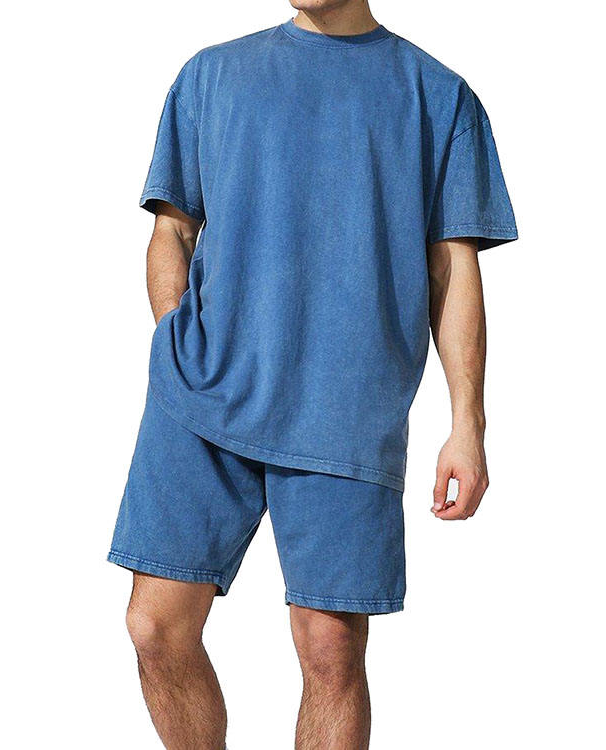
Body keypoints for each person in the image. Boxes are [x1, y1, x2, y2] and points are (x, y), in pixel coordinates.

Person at [108, 0, 517, 746]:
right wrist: (174, 334)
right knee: (154, 629)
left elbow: (452, 268)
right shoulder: (211, 75)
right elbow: (172, 228)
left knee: (330, 652)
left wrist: (468, 423)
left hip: (346, 408)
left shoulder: (437, 95)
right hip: (199, 393)